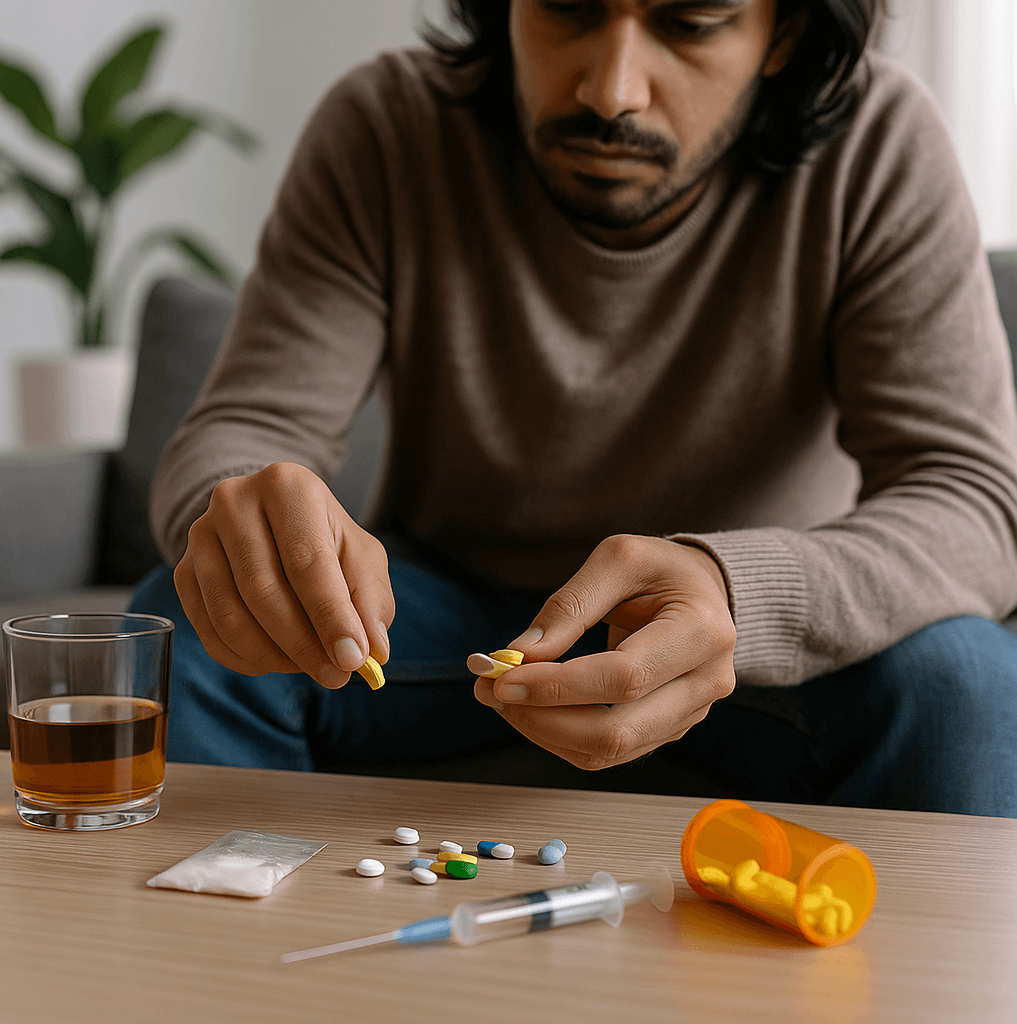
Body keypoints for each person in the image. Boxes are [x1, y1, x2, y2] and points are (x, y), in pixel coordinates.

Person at [133, 0, 1017, 816]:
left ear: (782, 36)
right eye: (565, 7)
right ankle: (227, 973)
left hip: (759, 648)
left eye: (691, 23)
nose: (611, 90)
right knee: (193, 632)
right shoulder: (388, 126)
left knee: (963, 683)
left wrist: (733, 592)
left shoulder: (879, 142)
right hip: (454, 619)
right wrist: (244, 507)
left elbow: (973, 498)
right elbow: (248, 426)